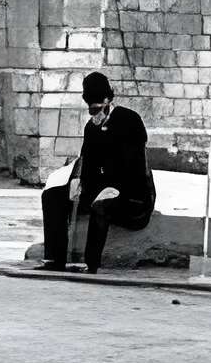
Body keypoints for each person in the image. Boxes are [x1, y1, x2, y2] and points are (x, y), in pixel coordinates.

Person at [40, 71, 155, 273]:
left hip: (130, 192)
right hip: (99, 187)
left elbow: (133, 166)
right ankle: (54, 259)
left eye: (97, 109)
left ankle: (91, 264)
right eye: (91, 110)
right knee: (52, 196)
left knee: (101, 205)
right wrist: (77, 180)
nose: (95, 115)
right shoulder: (91, 128)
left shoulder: (129, 120)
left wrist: (112, 187)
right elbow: (87, 161)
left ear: (107, 100)